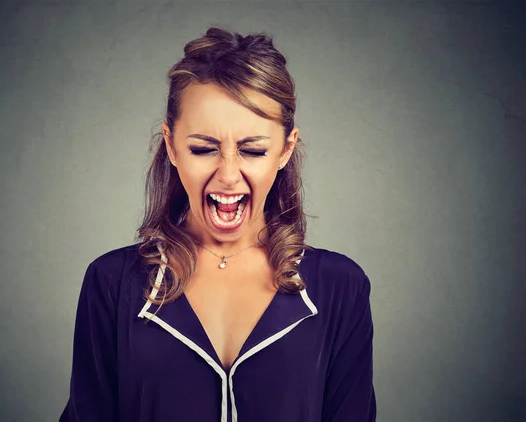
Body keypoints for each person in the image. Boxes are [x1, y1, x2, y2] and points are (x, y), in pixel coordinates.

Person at [59, 27, 376, 422]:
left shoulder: (340, 288)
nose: (228, 175)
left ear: (285, 150)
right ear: (172, 145)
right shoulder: (110, 282)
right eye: (203, 148)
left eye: (253, 149)